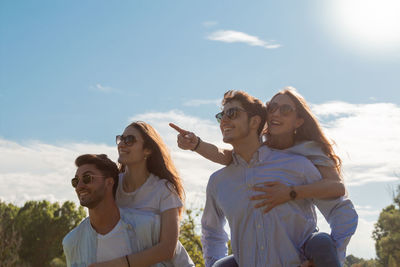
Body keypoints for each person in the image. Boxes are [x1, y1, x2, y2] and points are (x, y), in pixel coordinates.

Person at [172, 90, 358, 266]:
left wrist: (331, 255)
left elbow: (340, 206)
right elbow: (212, 232)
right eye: (222, 116)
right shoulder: (218, 182)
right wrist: (196, 143)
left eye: (233, 113)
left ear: (254, 122)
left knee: (322, 241)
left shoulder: (299, 164)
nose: (224, 120)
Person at [92, 121, 193, 267]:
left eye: (129, 140)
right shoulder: (111, 187)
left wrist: (118, 265)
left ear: (147, 150)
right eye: (121, 139)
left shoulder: (164, 189)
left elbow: (168, 249)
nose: (121, 144)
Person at [62, 154, 165, 267]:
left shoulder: (149, 226)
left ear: (109, 182)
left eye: (87, 178)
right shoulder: (72, 242)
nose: (79, 186)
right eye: (75, 181)